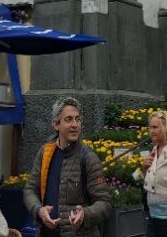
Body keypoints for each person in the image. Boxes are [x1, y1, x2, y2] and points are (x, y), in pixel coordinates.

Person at [23, 97, 113, 237]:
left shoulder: (88, 157)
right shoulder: (45, 153)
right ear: (56, 124)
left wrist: (85, 214)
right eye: (68, 119)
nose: (75, 125)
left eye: (77, 119)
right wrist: (39, 210)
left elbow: (105, 202)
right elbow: (30, 190)